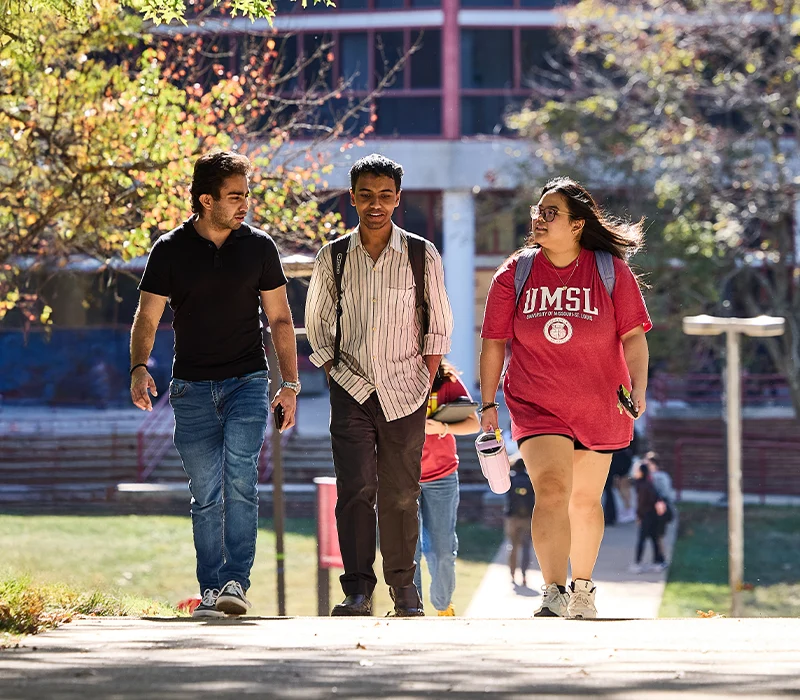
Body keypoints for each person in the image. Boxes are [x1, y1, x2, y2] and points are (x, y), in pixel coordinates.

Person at [130, 151, 300, 618]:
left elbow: (281, 317)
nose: (244, 204)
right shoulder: (169, 249)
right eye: (235, 196)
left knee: (240, 477)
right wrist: (139, 367)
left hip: (248, 380)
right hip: (190, 388)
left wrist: (290, 384)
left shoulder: (259, 247)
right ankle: (209, 589)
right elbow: (148, 314)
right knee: (205, 491)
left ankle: (234, 583)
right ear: (206, 200)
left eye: (246, 194)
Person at [479, 177, 651, 619]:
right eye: (538, 210)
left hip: (600, 401)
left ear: (577, 225)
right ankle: (553, 592)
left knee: (584, 501)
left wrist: (638, 389)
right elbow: (494, 342)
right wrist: (487, 405)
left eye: (550, 212)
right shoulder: (515, 273)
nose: (538, 217)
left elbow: (633, 336)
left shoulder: (610, 270)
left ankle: (582, 587)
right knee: (552, 490)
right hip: (536, 402)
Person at [305, 153, 453, 617]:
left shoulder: (420, 253)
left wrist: (422, 385)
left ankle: (405, 595)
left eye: (385, 195)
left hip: (406, 392)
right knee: (354, 491)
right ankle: (357, 592)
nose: (375, 204)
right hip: (349, 390)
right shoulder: (333, 256)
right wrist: (341, 378)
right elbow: (320, 328)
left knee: (401, 494)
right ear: (352, 198)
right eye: (365, 195)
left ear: (397, 198)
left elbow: (438, 329)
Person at [413, 358, 479, 616]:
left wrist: (442, 426)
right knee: (409, 552)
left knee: (441, 549)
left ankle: (443, 607)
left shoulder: (447, 381)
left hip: (442, 476)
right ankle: (410, 608)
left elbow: (473, 423)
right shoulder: (393, 377)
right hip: (403, 476)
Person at [630, 462, 667, 573]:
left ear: (641, 472)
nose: (635, 472)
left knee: (642, 540)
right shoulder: (647, 484)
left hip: (647, 516)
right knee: (653, 539)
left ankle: (637, 563)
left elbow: (641, 504)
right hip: (652, 516)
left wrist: (639, 516)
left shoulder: (643, 485)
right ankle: (658, 561)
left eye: (637, 470)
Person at [505, 455, 535, 588]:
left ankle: (512, 574)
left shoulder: (510, 479)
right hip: (527, 518)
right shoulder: (530, 480)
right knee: (526, 547)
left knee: (513, 547)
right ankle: (524, 575)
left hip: (512, 517)